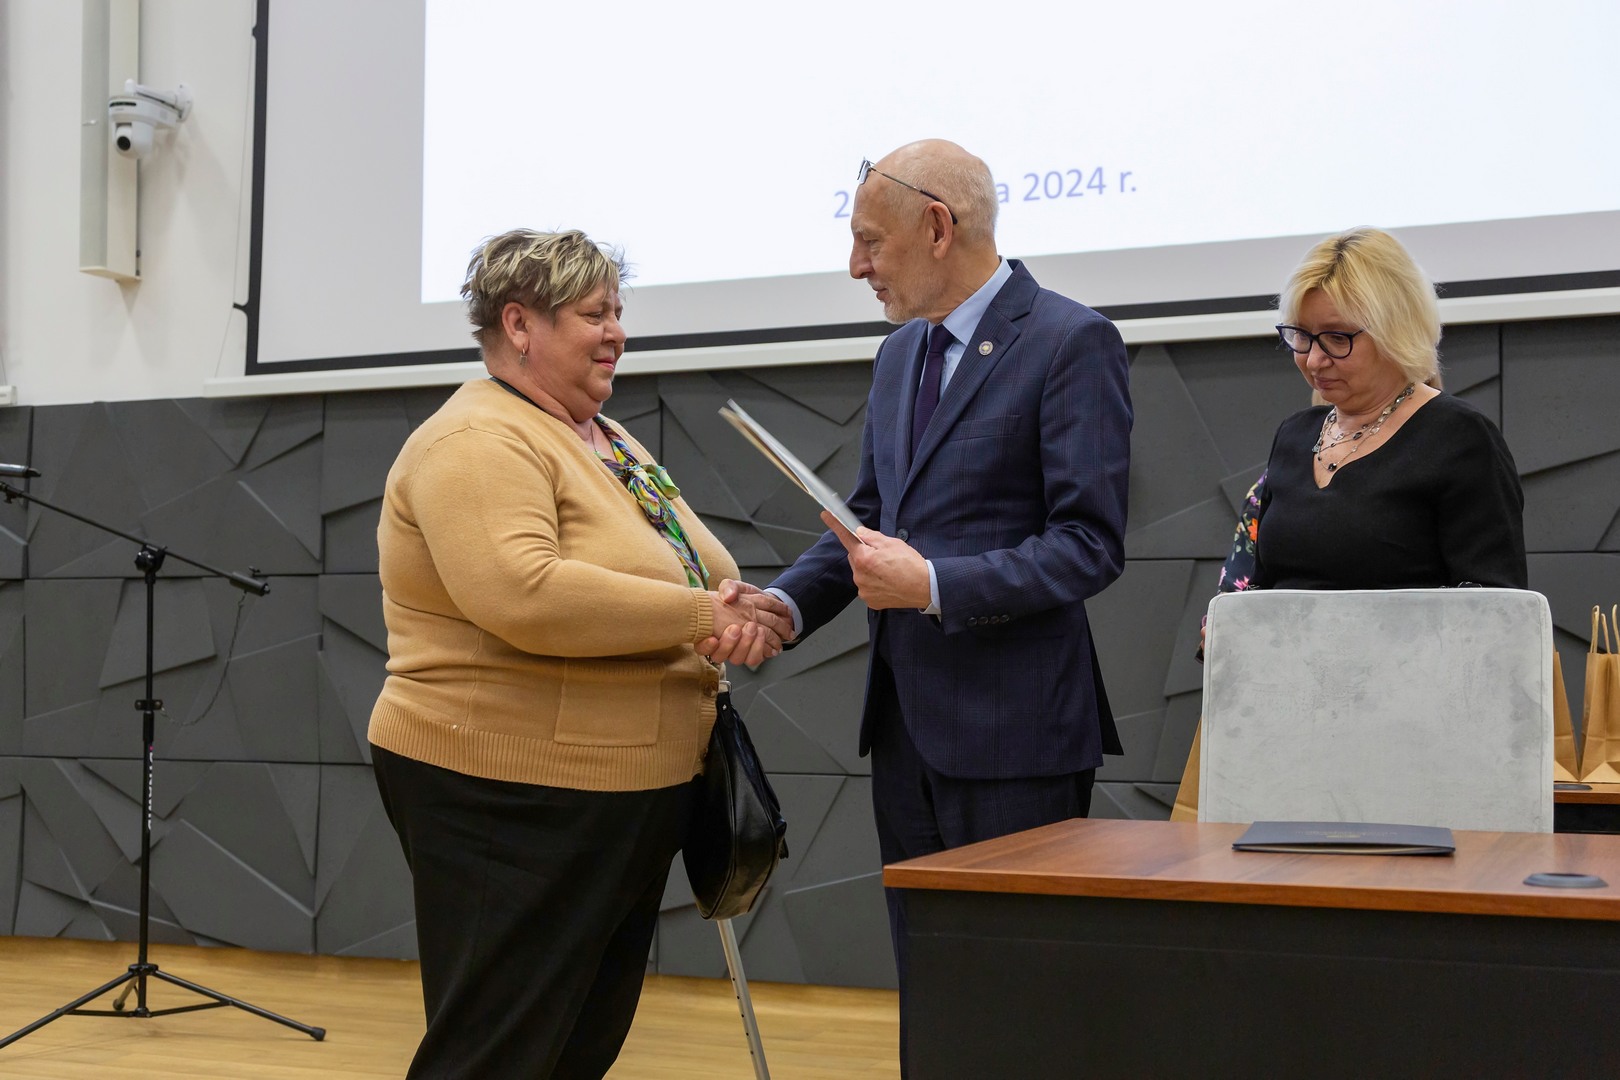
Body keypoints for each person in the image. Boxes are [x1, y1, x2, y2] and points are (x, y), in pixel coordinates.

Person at [744, 139, 1133, 1072]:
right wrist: (783, 606)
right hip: (907, 732)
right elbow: (869, 520)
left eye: (869, 241)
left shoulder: (1071, 341)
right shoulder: (898, 358)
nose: (856, 267)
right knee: (932, 996)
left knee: (1021, 1006)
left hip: (1018, 739)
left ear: (937, 226)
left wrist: (935, 586)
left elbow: (1089, 544)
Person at [366, 228, 787, 1079]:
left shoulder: (605, 437)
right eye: (594, 314)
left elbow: (695, 567)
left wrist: (743, 607)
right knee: (497, 1050)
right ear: (519, 324)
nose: (616, 333)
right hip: (509, 791)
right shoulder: (477, 439)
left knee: (573, 1048)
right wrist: (702, 614)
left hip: (620, 793)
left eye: (618, 312)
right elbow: (525, 593)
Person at [1239, 227, 1526, 595]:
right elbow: (1262, 585)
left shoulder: (1459, 437)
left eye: (1337, 338)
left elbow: (1493, 603)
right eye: (1302, 336)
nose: (1313, 360)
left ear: (1395, 332)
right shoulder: (1293, 435)